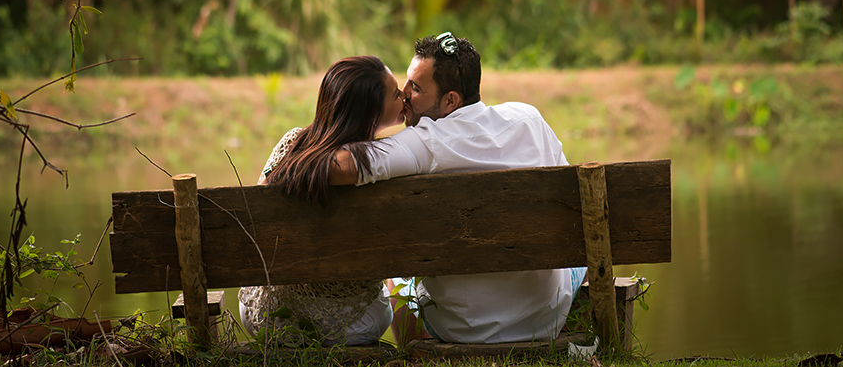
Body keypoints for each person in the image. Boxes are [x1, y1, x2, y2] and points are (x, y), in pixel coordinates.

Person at [330, 32, 584, 345]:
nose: (404, 95)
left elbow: (341, 166)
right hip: (545, 319)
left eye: (416, 88)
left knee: (397, 277)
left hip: (459, 328)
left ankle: (414, 353)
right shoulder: (529, 119)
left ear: (451, 100)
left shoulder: (426, 142)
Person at [238, 55, 407, 346]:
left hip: (268, 317)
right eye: (396, 94)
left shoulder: (292, 144)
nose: (404, 95)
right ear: (371, 112)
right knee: (398, 285)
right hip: (351, 325)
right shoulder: (381, 161)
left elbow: (258, 216)